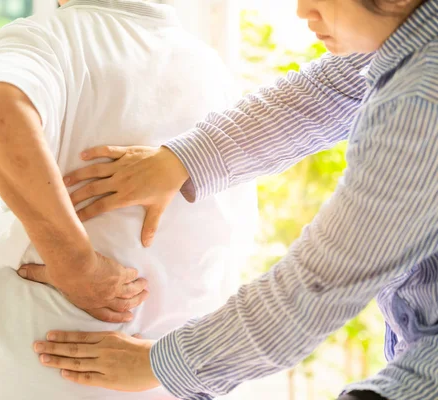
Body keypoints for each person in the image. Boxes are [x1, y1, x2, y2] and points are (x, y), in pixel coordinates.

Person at [28, 0, 438, 399]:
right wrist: (180, 160)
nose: (302, 10)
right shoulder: (412, 39)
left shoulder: (423, 97)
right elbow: (325, 93)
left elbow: (323, 282)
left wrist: (160, 364)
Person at [0, 0, 257, 399]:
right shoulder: (212, 70)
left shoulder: (51, 36)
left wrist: (76, 263)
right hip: (158, 374)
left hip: (36, 359)